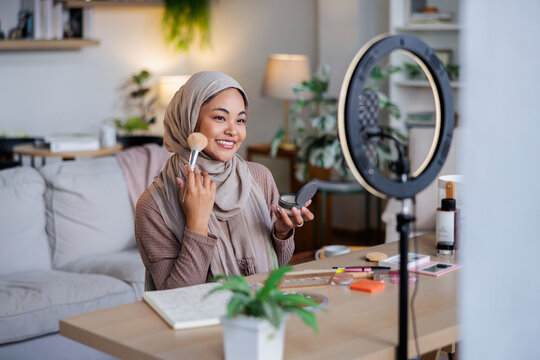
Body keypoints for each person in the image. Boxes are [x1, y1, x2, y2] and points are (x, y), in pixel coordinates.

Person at [135, 71, 314, 290]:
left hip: (261, 311)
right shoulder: (153, 205)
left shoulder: (260, 177)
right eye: (220, 117)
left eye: (240, 120)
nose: (233, 131)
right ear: (189, 119)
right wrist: (197, 224)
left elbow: (276, 266)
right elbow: (176, 296)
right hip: (202, 321)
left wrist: (282, 232)